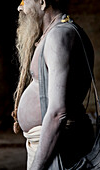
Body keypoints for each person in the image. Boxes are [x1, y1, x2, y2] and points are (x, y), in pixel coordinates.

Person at [12, 0, 95, 169]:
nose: (20, 8)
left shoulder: (58, 36)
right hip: (52, 143)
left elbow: (58, 113)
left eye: (24, 1)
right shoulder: (56, 33)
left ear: (42, 3)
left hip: (58, 145)